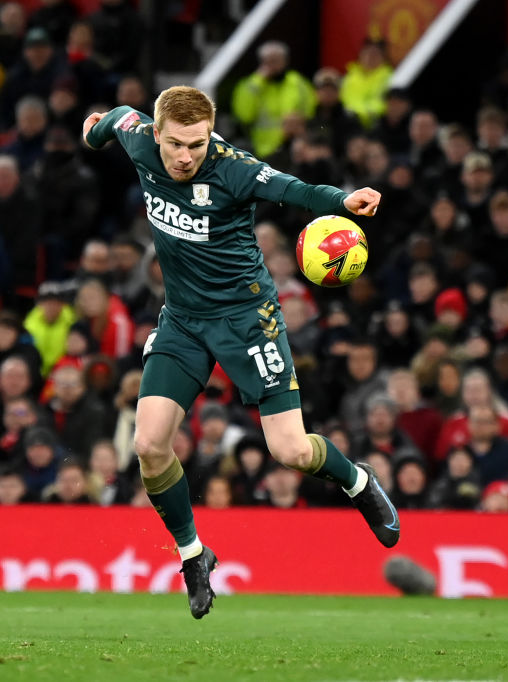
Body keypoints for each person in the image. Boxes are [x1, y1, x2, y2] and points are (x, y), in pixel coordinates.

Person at [82, 86, 395, 619]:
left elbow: (296, 190)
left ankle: (358, 481)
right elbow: (110, 118)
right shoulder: (137, 138)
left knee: (290, 451)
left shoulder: (234, 170)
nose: (186, 157)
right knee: (149, 444)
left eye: (198, 145)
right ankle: (194, 555)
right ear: (156, 134)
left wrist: (344, 201)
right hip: (182, 319)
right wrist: (93, 130)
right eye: (177, 144)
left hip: (248, 321)